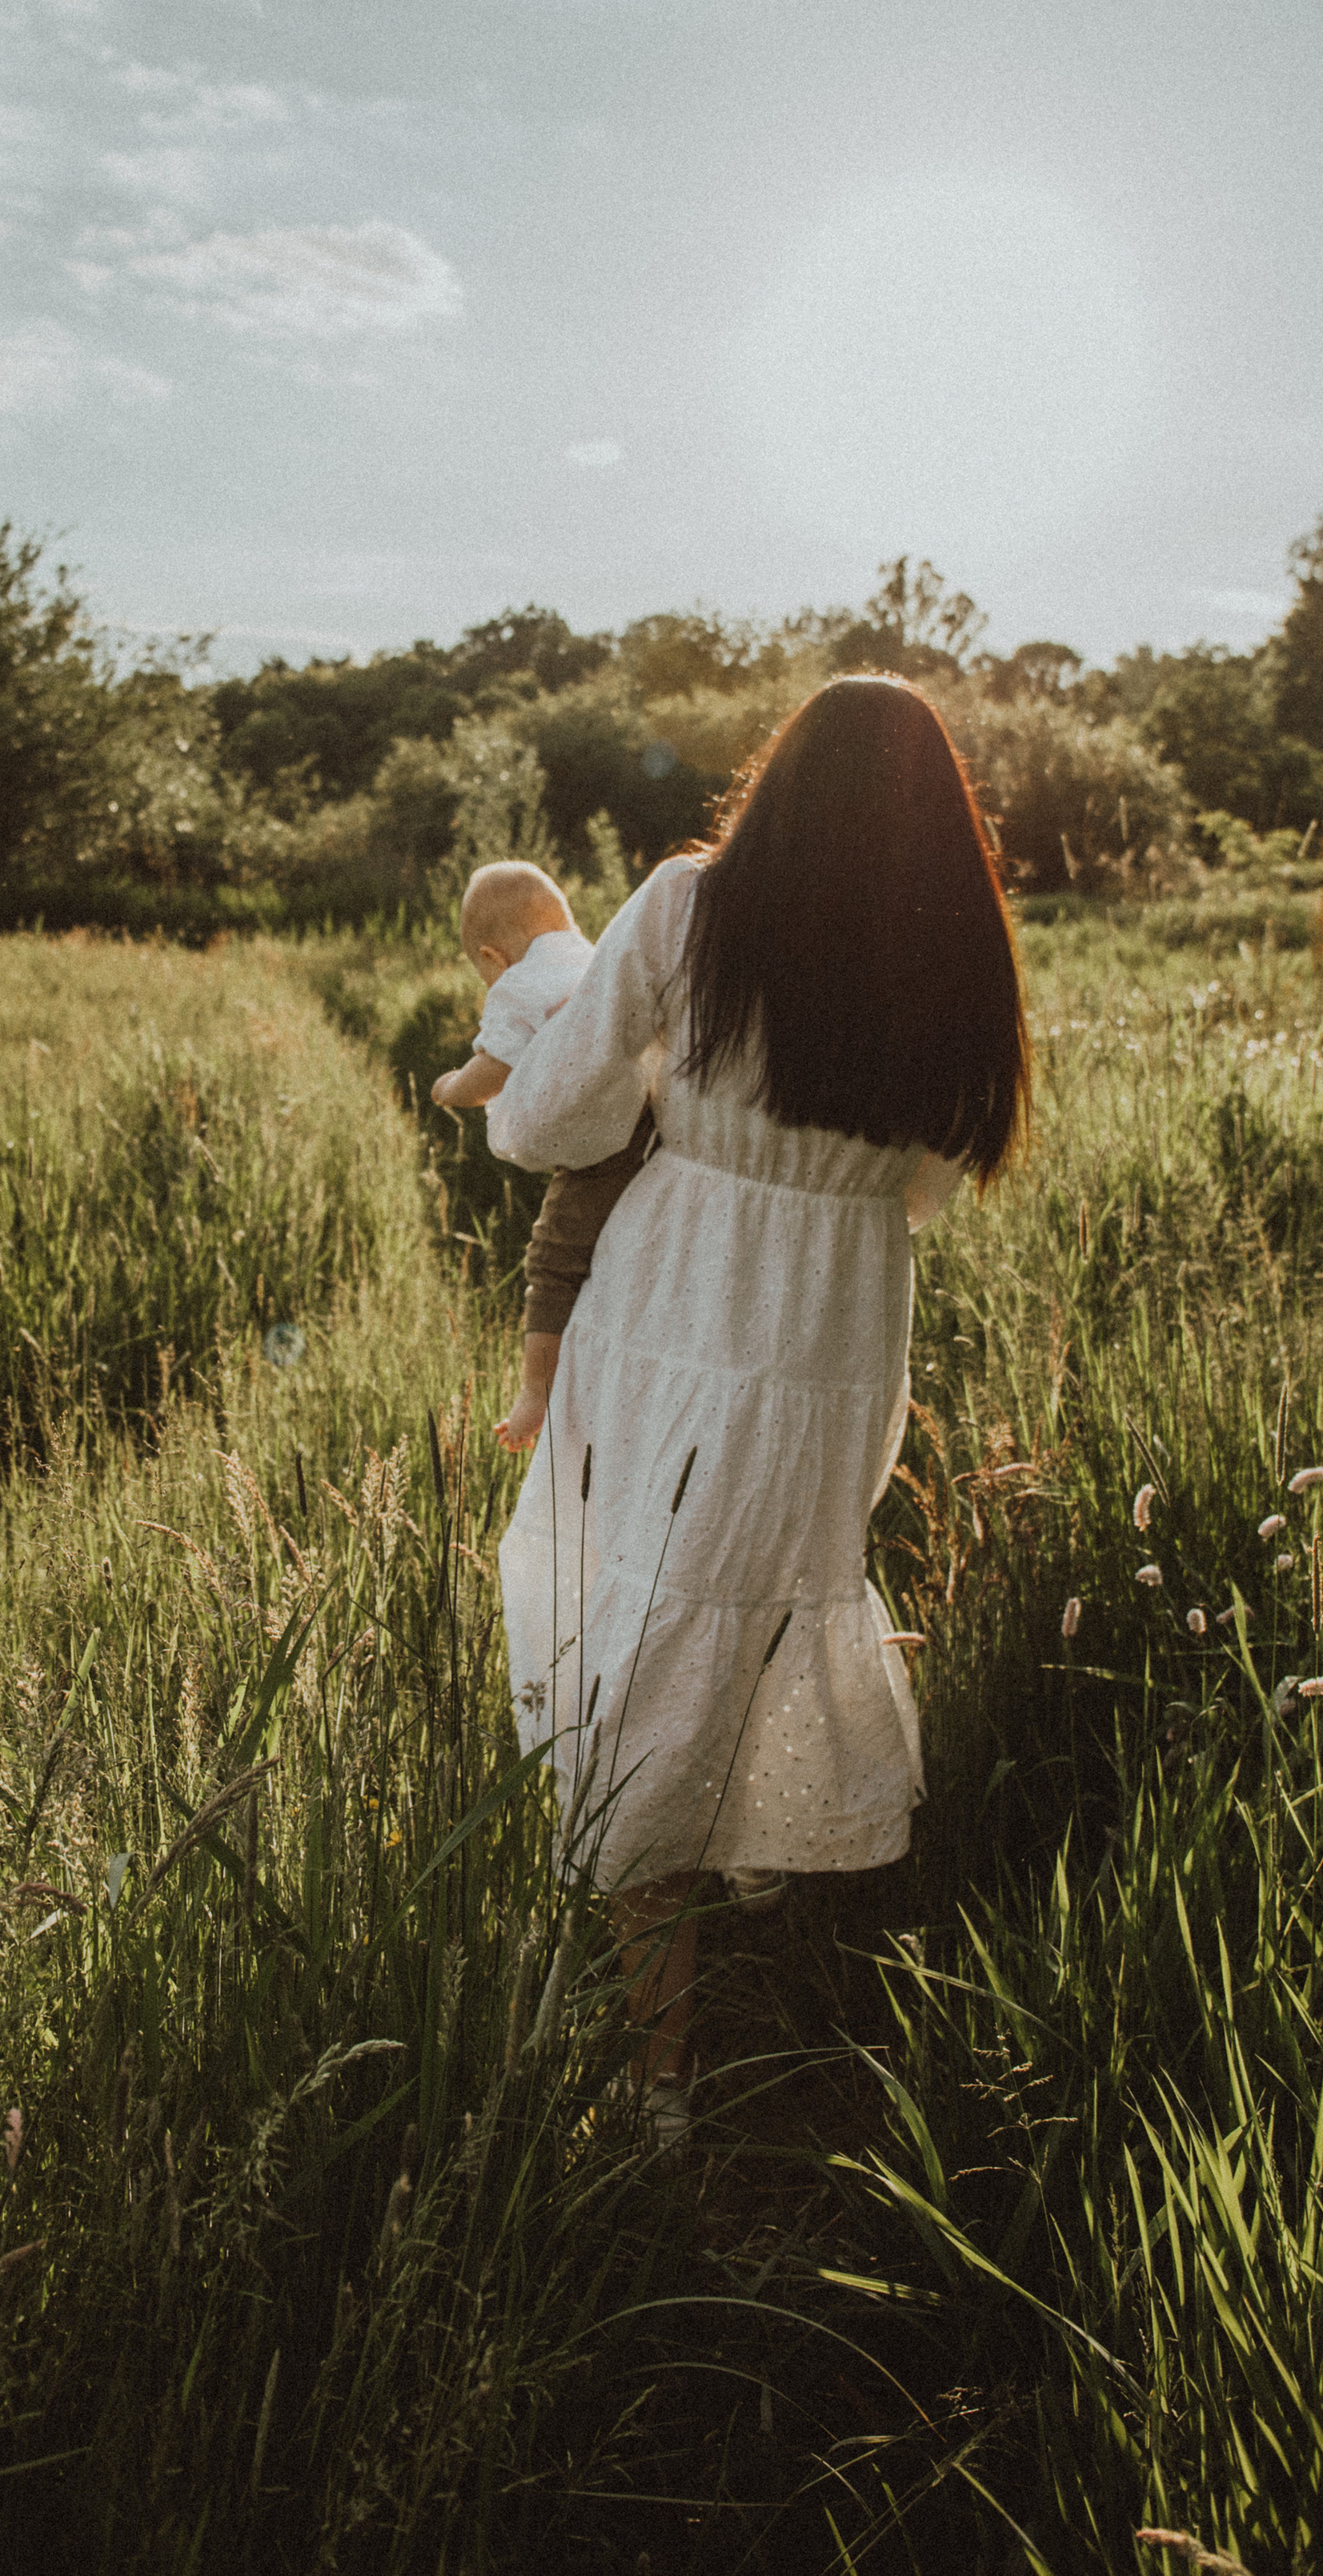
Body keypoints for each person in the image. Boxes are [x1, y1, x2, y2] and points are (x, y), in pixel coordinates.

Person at [484, 676, 1030, 2127]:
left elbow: (547, 1117)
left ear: (779, 780)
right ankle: (756, 1932)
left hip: (682, 1303)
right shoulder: (951, 955)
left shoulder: (685, 907)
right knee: (757, 1602)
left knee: (650, 1628)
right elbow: (924, 1186)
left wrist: (670, 1091)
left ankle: (659, 2079)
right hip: (841, 1324)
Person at [431, 860, 656, 1455]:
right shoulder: (594, 958)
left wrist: (450, 1086)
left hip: (599, 1154)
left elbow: (492, 1071)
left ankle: (536, 1391)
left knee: (553, 1260)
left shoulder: (519, 986)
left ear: (492, 957)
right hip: (651, 1126)